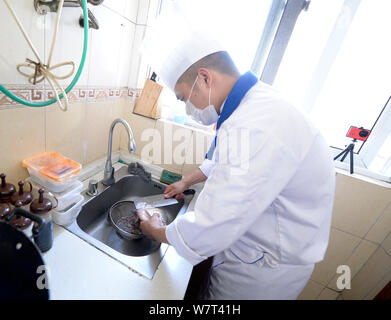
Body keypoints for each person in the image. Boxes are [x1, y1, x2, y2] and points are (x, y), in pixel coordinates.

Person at [136, 5, 336, 300]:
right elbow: (222, 163)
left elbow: (212, 222)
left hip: (263, 268)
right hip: (254, 249)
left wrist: (155, 231)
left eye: (183, 97)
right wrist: (186, 181)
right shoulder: (251, 107)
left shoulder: (256, 125)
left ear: (204, 78)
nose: (186, 108)